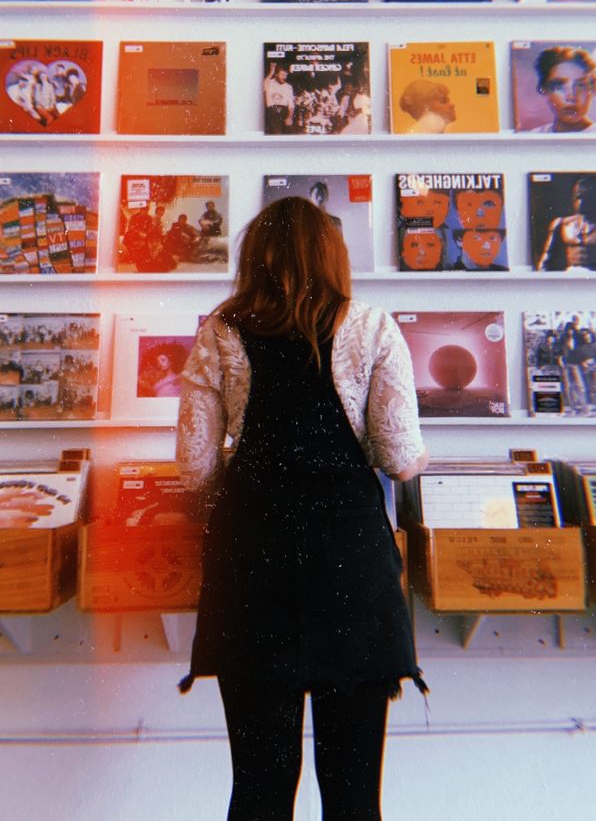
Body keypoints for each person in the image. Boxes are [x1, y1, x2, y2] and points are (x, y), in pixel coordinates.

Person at [176, 197, 429, 821]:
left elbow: (195, 466)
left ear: (254, 257)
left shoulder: (220, 331)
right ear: (332, 255)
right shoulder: (372, 327)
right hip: (349, 567)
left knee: (259, 790)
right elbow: (400, 459)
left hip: (253, 563)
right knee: (353, 796)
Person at [529, 46, 596, 133]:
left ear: (593, 89)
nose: (571, 97)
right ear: (545, 90)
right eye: (558, 86)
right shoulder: (535, 135)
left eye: (580, 85)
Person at [536, 174, 596, 270]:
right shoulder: (561, 224)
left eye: (587, 197)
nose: (581, 202)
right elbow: (546, 259)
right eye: (578, 196)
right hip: (571, 274)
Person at [264, 62, 295, 134]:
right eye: (282, 75)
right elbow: (263, 85)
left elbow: (291, 105)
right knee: (276, 133)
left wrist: (290, 117)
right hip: (272, 112)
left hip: (284, 112)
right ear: (276, 74)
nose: (284, 77)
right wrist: (271, 73)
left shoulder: (288, 87)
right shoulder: (269, 83)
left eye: (286, 75)